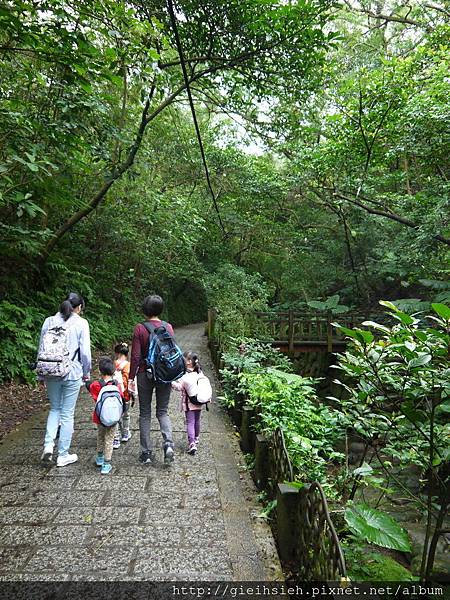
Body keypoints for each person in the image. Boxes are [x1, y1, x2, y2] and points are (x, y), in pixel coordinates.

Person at [38, 292, 91, 466]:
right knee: (67, 414)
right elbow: (85, 353)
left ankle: (48, 446)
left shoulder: (49, 321)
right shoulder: (81, 323)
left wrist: (41, 372)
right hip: (72, 372)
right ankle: (63, 455)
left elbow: (41, 348)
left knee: (55, 409)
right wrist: (86, 372)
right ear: (79, 307)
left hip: (51, 370)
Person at [129, 294, 175, 465]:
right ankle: (168, 444)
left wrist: (131, 378)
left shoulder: (139, 328)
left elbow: (135, 357)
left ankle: (146, 453)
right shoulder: (168, 327)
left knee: (145, 413)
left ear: (145, 309)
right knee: (162, 411)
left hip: (144, 373)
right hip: (164, 374)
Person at [85, 356, 124, 475]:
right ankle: (106, 464)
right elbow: (122, 397)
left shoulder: (96, 385)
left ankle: (100, 458)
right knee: (109, 439)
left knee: (100, 436)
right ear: (113, 371)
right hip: (113, 418)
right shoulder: (116, 384)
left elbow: (89, 387)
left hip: (100, 417)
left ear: (100, 371)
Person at [172, 352, 205, 455]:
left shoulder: (186, 375)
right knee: (197, 420)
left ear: (189, 362)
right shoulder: (200, 372)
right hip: (199, 401)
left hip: (189, 403)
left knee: (190, 422)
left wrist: (171, 382)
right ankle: (196, 438)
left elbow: (179, 387)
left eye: (184, 359)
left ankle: (192, 444)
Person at [113, 342, 131, 448]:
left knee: (116, 416)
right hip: (125, 394)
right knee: (126, 414)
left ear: (117, 353)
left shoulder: (113, 364)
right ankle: (125, 433)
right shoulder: (128, 365)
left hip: (115, 394)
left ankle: (116, 438)